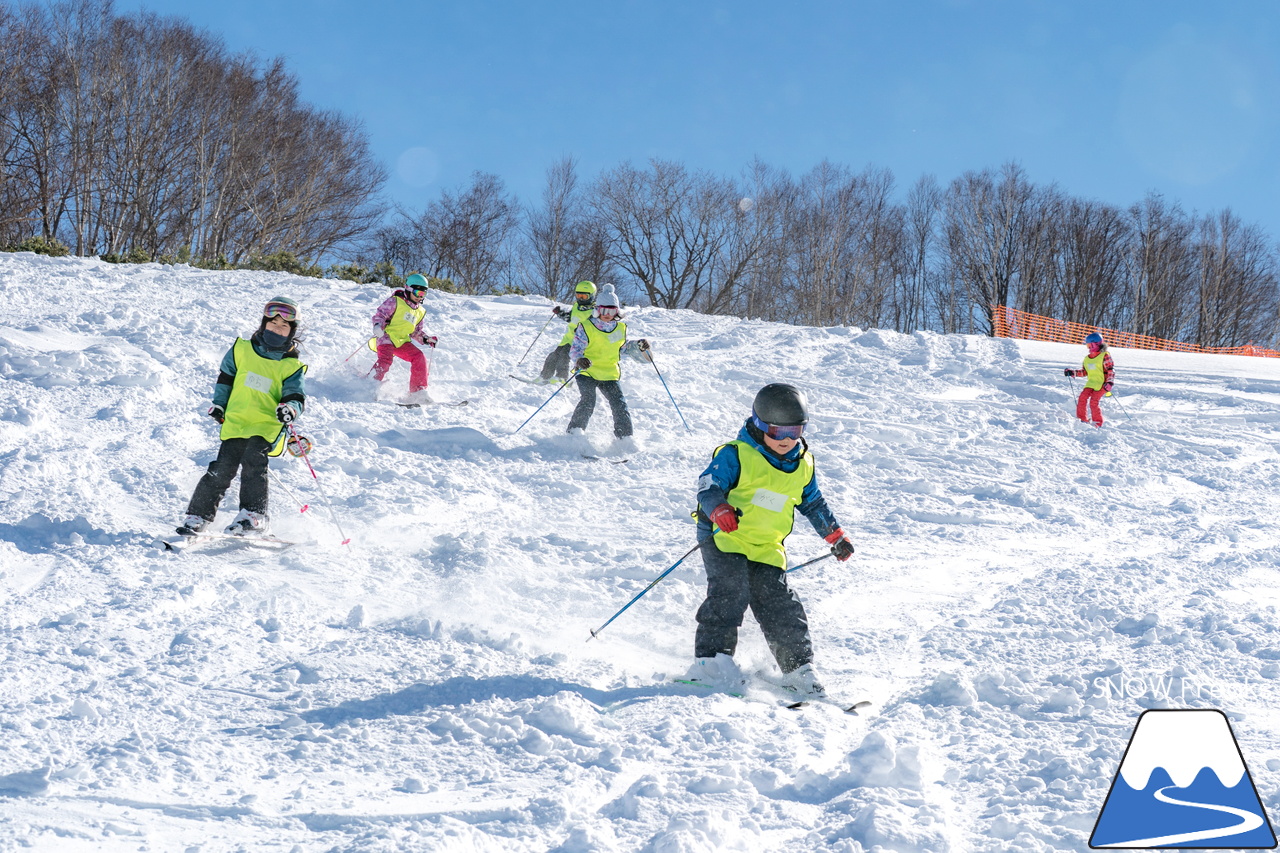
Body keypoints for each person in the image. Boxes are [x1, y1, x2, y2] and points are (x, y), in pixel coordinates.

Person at [687, 383, 854, 697]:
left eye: (796, 431)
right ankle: (709, 664)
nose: (788, 440)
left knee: (780, 605)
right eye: (778, 432)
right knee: (730, 590)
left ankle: (798, 668)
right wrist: (719, 508)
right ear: (760, 426)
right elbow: (708, 488)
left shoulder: (803, 464)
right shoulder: (736, 454)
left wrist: (835, 535)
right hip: (725, 536)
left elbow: (813, 502)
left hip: (766, 545)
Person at [176, 297, 307, 537]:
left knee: (253, 465)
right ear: (263, 323)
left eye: (283, 327)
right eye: (273, 323)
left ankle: (253, 515)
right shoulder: (241, 349)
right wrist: (219, 405)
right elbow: (226, 378)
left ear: (291, 332)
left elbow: (296, 397)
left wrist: (290, 409)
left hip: (265, 425)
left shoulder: (291, 366)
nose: (277, 329)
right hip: (236, 422)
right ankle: (198, 516)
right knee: (220, 469)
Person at [566, 284, 650, 442]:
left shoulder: (620, 328)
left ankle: (625, 438)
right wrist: (579, 359)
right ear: (597, 310)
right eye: (604, 310)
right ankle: (574, 434)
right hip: (587, 371)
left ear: (617, 312)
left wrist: (638, 345)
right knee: (588, 400)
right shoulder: (586, 327)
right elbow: (575, 349)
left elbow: (623, 349)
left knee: (619, 404)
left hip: (609, 373)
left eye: (611, 311)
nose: (607, 314)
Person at [371, 273, 437, 404]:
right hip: (386, 336)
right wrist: (378, 326)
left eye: (423, 294)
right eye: (418, 292)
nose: (420, 297)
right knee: (385, 360)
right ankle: (369, 386)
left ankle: (417, 392)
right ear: (409, 289)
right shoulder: (395, 301)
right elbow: (381, 314)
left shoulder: (419, 311)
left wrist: (426, 339)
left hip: (401, 341)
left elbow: (415, 332)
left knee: (419, 357)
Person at [539, 280, 597, 382]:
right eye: (578, 296)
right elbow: (570, 318)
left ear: (592, 296)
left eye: (584, 297)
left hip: (579, 341)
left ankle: (562, 378)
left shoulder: (594, 312)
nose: (580, 299)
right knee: (553, 356)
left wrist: (582, 330)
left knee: (563, 357)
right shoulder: (576, 307)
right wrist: (560, 313)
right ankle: (544, 377)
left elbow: (595, 328)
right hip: (567, 339)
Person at [1064, 332, 1115, 427]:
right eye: (1087, 345)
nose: (1088, 347)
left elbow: (1110, 369)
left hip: (1102, 384)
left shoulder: (1105, 355)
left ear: (1096, 344)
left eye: (1089, 345)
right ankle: (1082, 419)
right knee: (1082, 398)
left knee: (1093, 402)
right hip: (1091, 383)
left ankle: (1098, 422)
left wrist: (1110, 382)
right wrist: (1072, 372)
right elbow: (1084, 372)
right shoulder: (1087, 358)